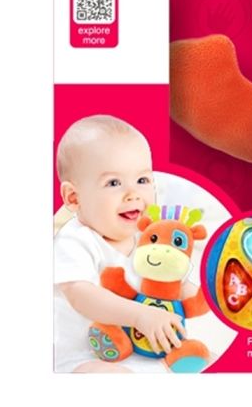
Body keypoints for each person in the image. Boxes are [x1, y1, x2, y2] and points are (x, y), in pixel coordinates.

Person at [54, 115, 186, 373]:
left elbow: (171, 282)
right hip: (81, 358)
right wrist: (140, 315)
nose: (133, 194)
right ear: (74, 198)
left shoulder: (148, 240)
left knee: (208, 359)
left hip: (141, 350)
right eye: (113, 183)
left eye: (142, 180)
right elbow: (81, 295)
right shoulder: (75, 240)